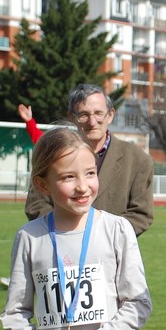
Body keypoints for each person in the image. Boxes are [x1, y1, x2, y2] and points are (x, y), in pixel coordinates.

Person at [0, 126, 152, 330]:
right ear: (43, 184)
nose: (83, 186)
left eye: (90, 173)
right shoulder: (29, 237)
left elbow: (138, 304)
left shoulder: (117, 230)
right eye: (68, 177)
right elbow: (14, 312)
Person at [24, 84, 154, 237]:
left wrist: (98, 238)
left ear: (110, 115)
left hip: (111, 249)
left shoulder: (138, 159)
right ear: (71, 117)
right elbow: (36, 205)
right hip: (59, 245)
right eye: (83, 115)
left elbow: (141, 214)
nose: (92, 122)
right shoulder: (52, 154)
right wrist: (68, 232)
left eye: (98, 113)